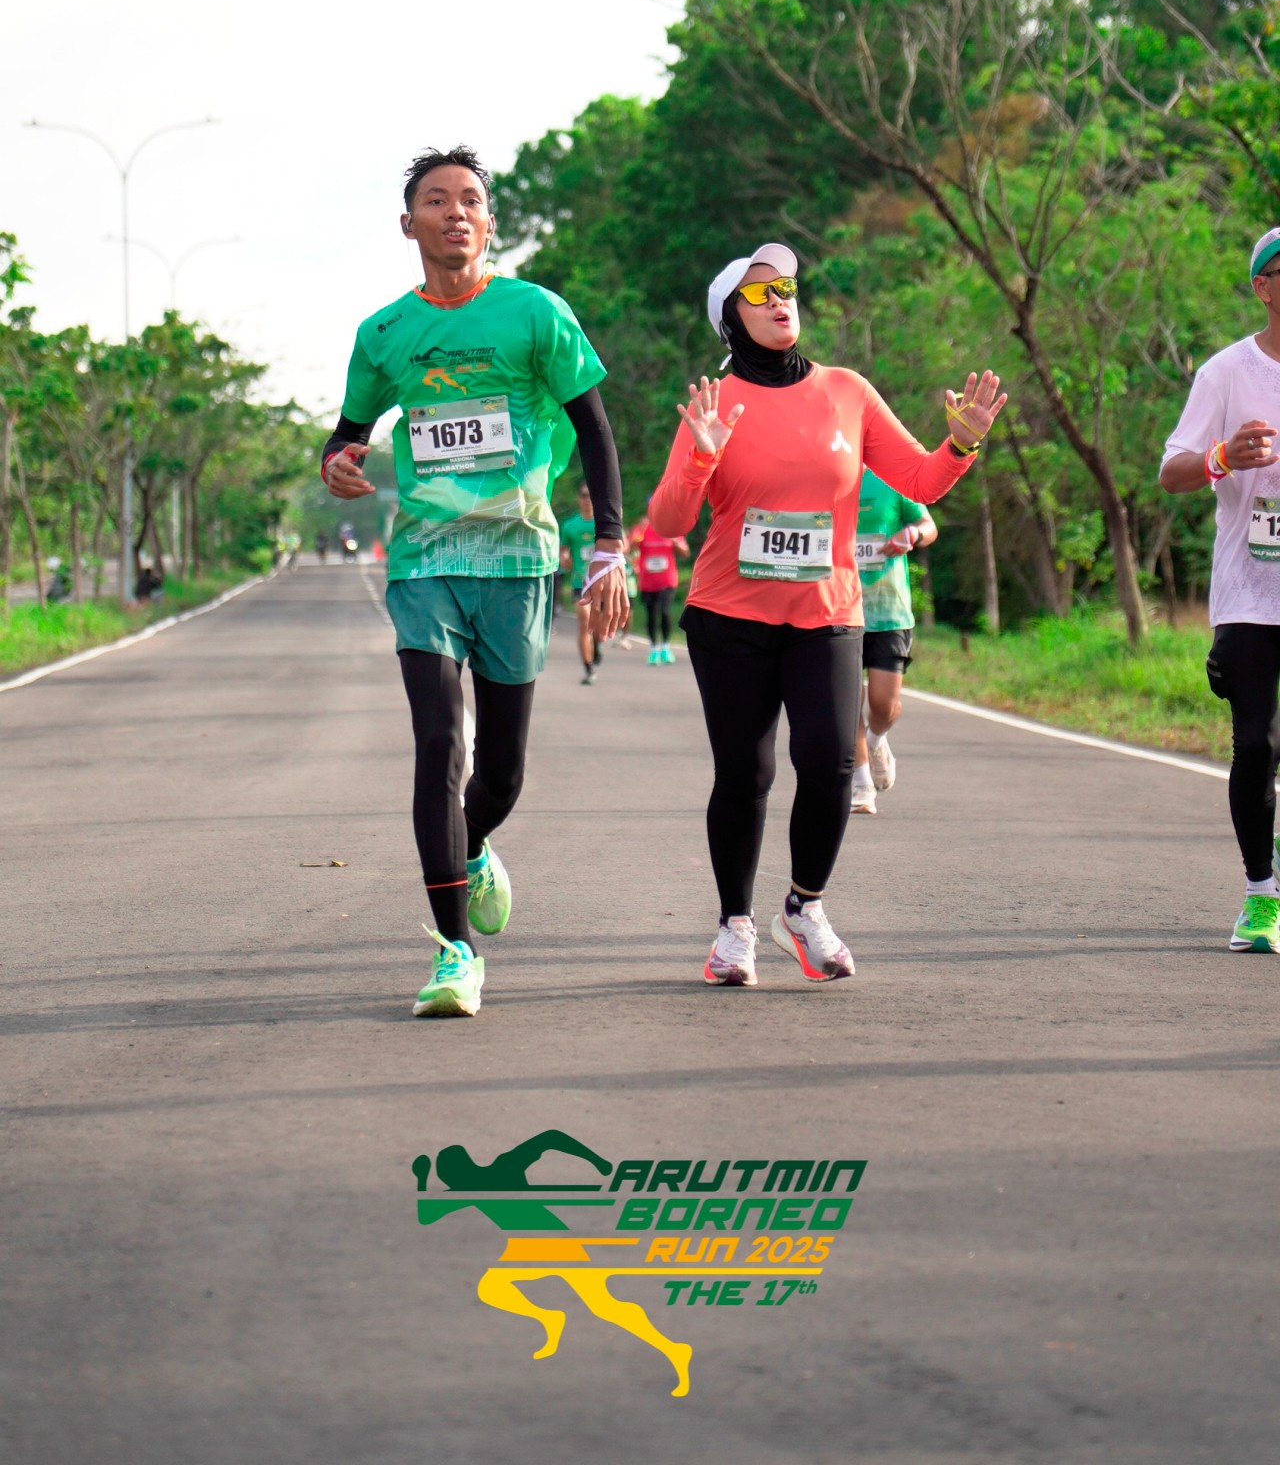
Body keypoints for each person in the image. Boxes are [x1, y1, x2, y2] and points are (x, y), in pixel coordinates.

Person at [323, 145, 628, 1017]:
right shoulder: (383, 334)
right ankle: (455, 951)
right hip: (424, 562)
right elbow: (348, 432)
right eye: (436, 200)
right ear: (408, 223)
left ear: (489, 223)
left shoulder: (535, 312)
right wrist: (338, 462)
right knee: (438, 746)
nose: (454, 212)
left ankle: (474, 843)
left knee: (499, 775)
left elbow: (593, 427)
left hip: (518, 561)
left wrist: (609, 542)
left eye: (469, 201)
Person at [649, 240, 1003, 988]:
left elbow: (920, 480)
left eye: (786, 287)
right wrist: (702, 457)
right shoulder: (715, 404)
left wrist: (961, 443)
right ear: (729, 318)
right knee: (745, 773)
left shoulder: (847, 390)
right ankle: (734, 929)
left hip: (828, 613)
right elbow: (670, 520)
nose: (780, 300)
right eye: (759, 293)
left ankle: (803, 907)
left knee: (833, 760)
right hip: (731, 617)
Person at [1160, 226, 1280, 954]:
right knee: (1257, 744)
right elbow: (1171, 470)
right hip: (1250, 595)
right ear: (1263, 286)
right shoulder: (1227, 373)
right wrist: (1222, 456)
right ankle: (1261, 897)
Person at [848, 472, 938, 815]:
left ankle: (876, 740)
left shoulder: (893, 481)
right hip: (840, 611)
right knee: (847, 704)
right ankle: (861, 785)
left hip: (889, 613)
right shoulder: (829, 477)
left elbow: (928, 526)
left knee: (883, 706)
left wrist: (911, 534)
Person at [628, 512, 689, 663]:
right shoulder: (642, 528)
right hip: (648, 582)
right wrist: (640, 532)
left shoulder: (671, 529)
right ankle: (654, 649)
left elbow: (685, 553)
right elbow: (630, 548)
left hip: (667, 581)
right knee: (651, 614)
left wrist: (675, 542)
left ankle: (666, 647)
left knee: (664, 611)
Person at [560, 482, 602, 684]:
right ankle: (588, 667)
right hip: (580, 582)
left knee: (599, 626)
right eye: (584, 495)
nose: (588, 500)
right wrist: (564, 559)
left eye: (591, 495)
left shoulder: (603, 523)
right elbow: (563, 551)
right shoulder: (570, 526)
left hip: (602, 583)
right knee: (585, 622)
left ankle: (597, 645)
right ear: (579, 499)